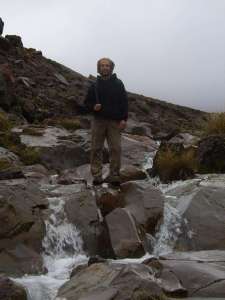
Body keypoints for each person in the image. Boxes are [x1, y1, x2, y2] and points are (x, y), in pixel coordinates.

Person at [84, 58, 128, 187]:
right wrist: (93, 107)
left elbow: (124, 103)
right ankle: (97, 176)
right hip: (99, 121)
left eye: (107, 66)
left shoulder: (118, 84)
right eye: (102, 66)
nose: (104, 67)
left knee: (115, 149)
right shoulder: (94, 85)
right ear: (99, 68)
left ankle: (114, 176)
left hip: (115, 122)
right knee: (96, 149)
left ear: (111, 68)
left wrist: (124, 120)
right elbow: (86, 103)